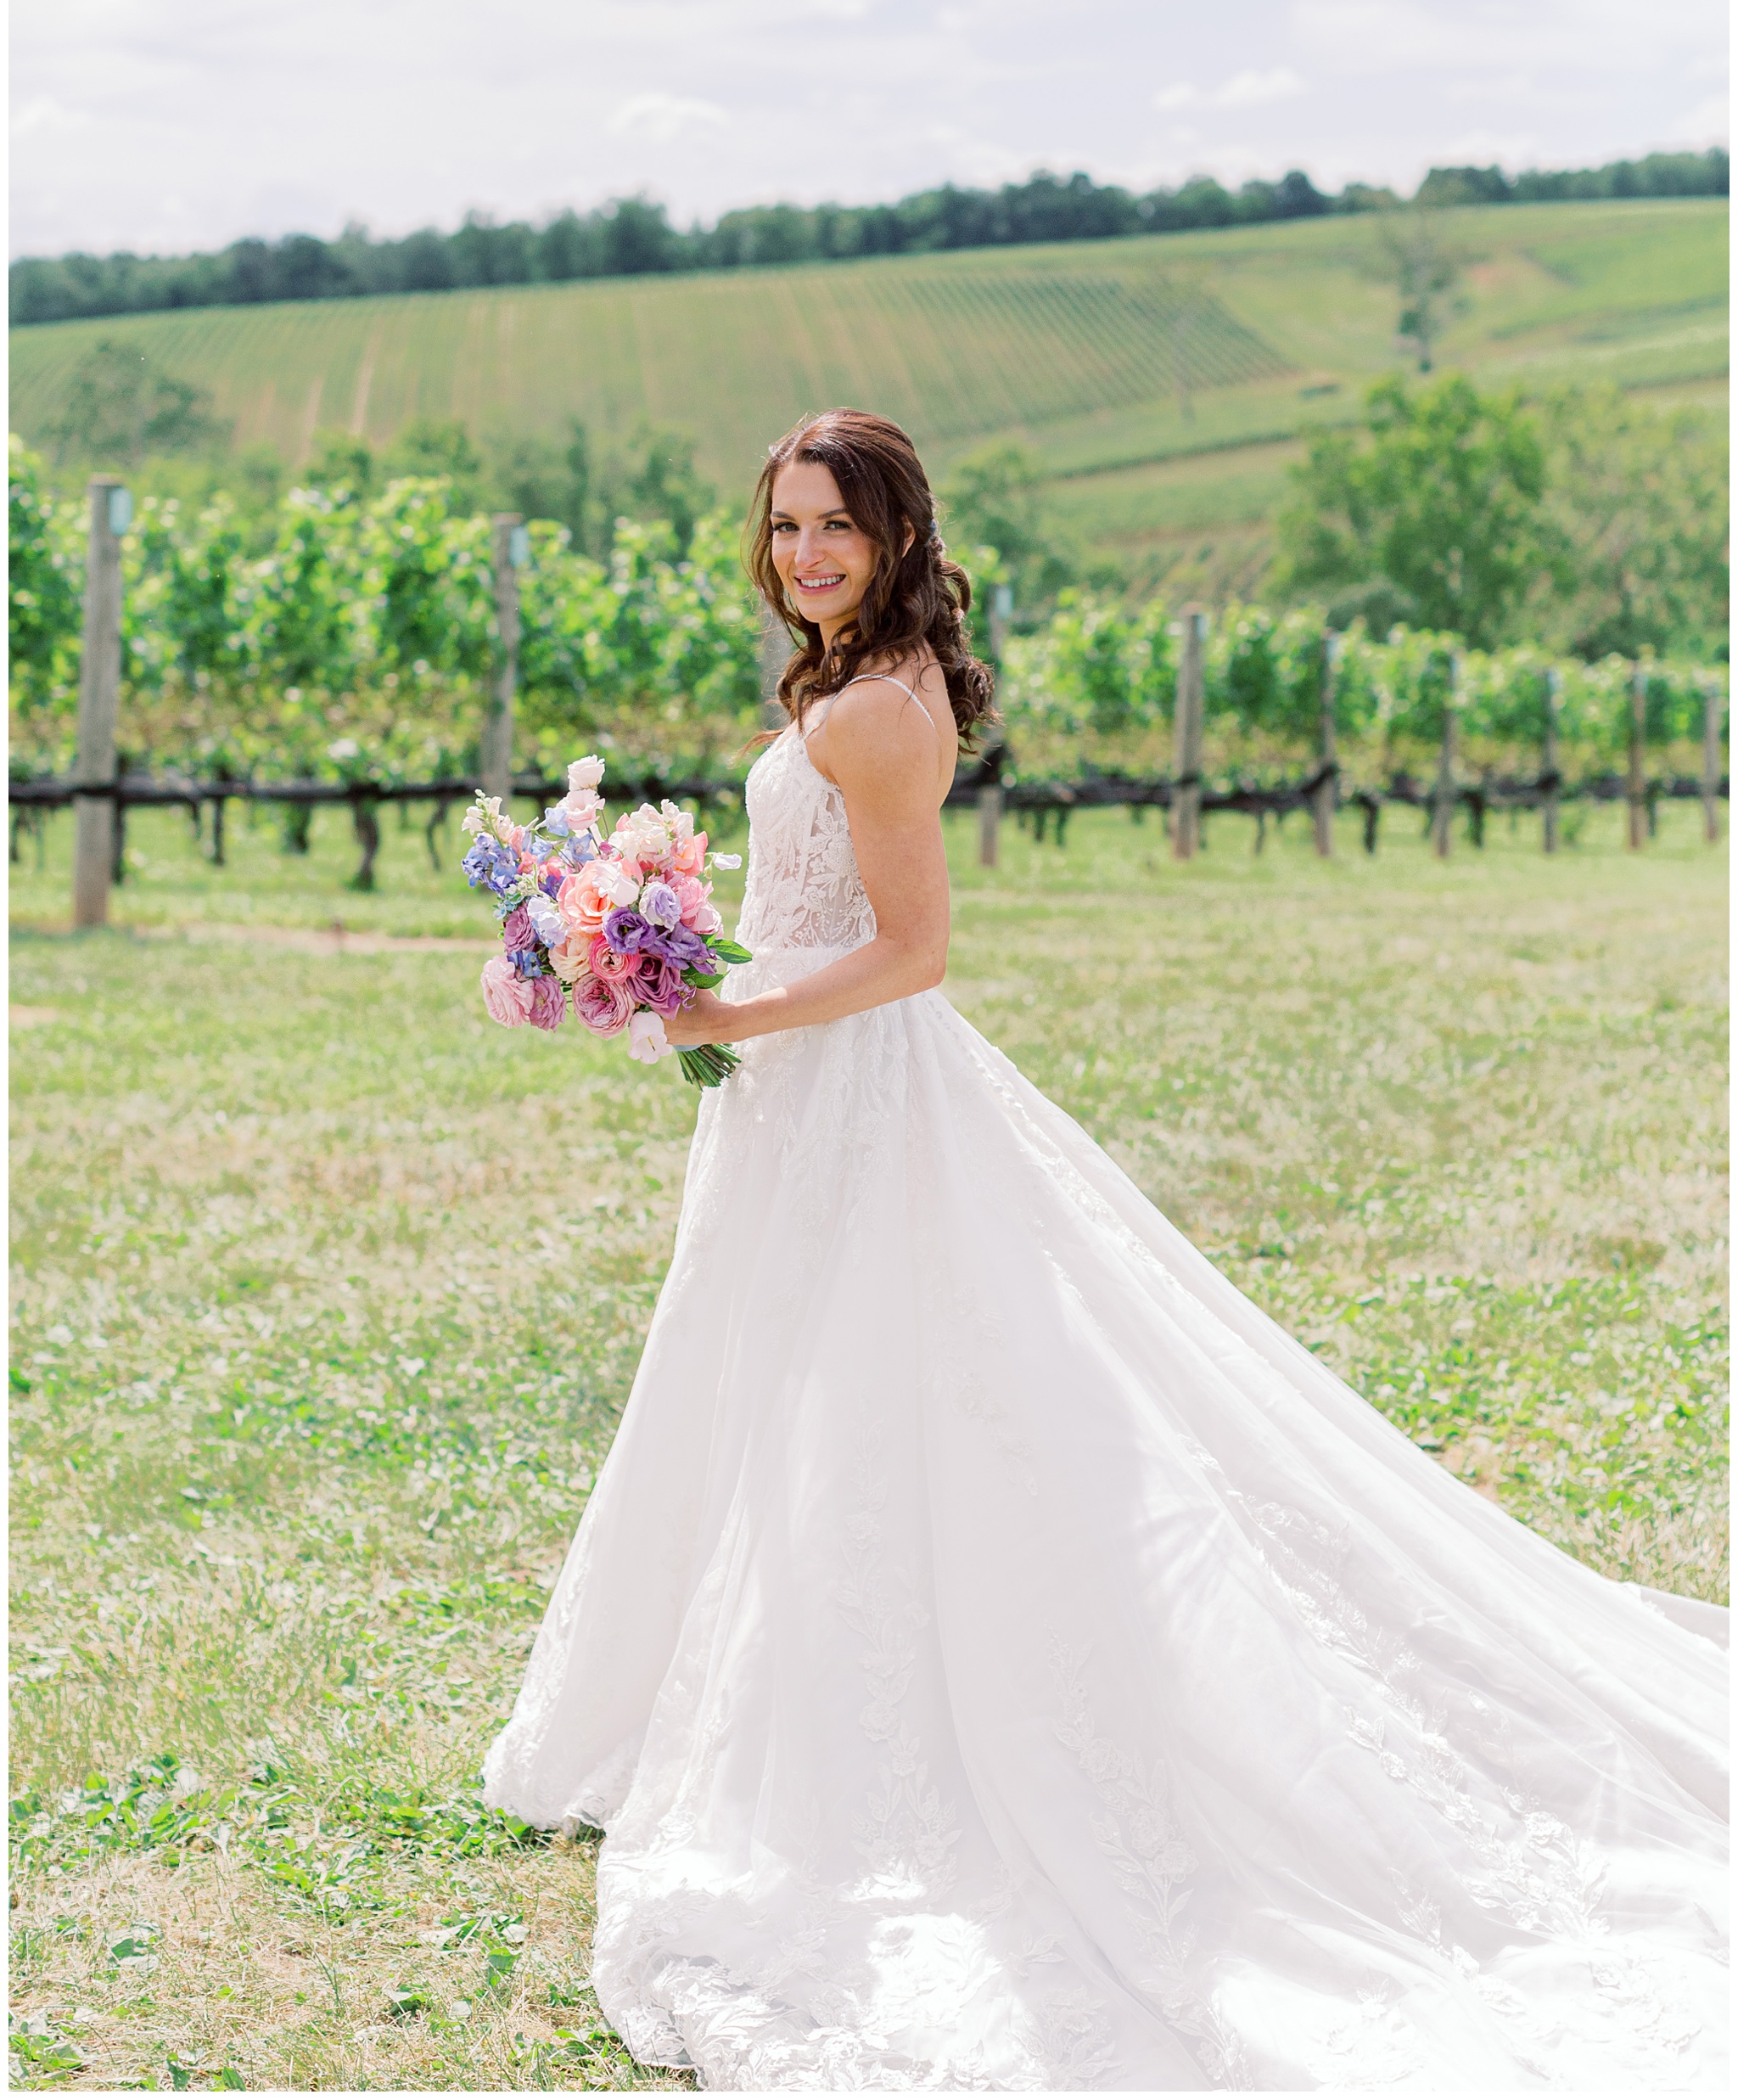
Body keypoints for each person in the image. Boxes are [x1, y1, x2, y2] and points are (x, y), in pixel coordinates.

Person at [483, 409, 1727, 2092]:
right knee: (790, 1396)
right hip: (798, 1093)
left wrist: (716, 999)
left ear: (901, 533)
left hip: (851, 1085)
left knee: (870, 1409)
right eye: (784, 526)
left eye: (835, 526)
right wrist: (672, 961)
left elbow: (913, 953)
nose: (803, 554)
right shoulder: (859, 681)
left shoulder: (871, 715)